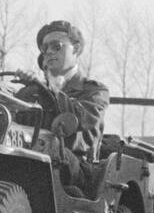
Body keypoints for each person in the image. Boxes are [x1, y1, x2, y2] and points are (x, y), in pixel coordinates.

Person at [14, 21, 109, 190]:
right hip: (33, 163)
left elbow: (81, 118)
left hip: (78, 170)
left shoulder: (95, 91)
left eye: (56, 46)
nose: (49, 52)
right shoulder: (32, 93)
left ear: (76, 49)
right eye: (44, 49)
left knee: (51, 148)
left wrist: (50, 89)